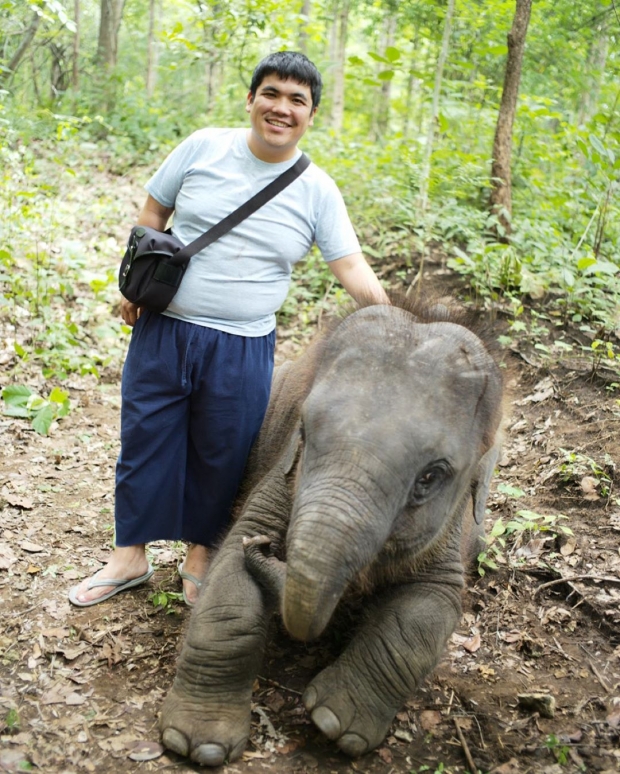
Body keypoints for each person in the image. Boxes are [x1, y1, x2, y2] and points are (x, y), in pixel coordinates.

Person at [68, 50, 388, 608]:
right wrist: (134, 283)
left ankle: (201, 555)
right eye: (272, 93)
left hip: (243, 346)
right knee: (145, 436)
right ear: (250, 98)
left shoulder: (317, 191)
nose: (281, 108)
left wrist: (395, 322)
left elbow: (351, 266)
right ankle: (129, 556)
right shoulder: (203, 147)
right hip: (165, 327)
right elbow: (152, 215)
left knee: (225, 450)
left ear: (312, 114)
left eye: (297, 100)